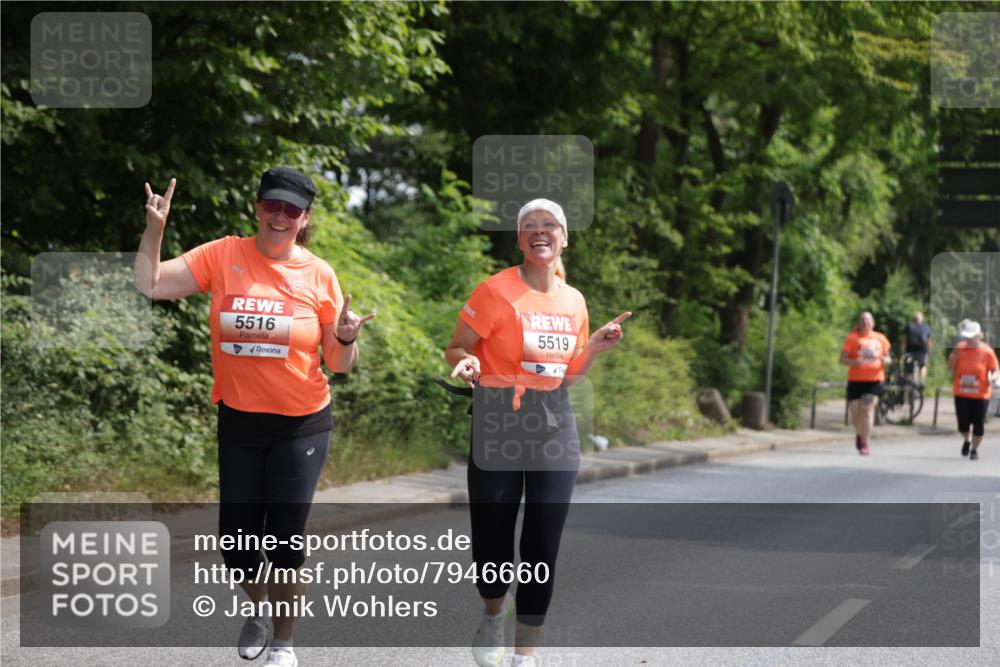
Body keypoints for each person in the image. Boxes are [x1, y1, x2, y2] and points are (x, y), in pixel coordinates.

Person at [134, 168, 375, 667]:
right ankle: (259, 609)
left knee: (285, 538)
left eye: (292, 210)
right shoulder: (224, 254)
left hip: (301, 422)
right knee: (236, 543)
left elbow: (338, 364)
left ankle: (284, 645)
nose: (280, 217)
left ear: (304, 218)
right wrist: (155, 228)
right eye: (273, 206)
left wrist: (348, 337)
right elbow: (151, 284)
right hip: (240, 421)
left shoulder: (319, 275)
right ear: (257, 207)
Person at [446, 198, 630, 667]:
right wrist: (464, 362)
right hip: (498, 422)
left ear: (564, 238)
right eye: (530, 225)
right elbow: (457, 346)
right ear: (519, 239)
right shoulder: (494, 290)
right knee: (492, 538)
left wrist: (592, 347)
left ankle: (525, 654)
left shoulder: (574, 300)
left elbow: (567, 375)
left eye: (550, 225)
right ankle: (492, 615)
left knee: (542, 542)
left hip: (553, 425)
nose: (540, 231)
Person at [839, 312, 891, 455]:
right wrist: (853, 362)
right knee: (855, 413)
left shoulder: (880, 339)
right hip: (855, 379)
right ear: (859, 323)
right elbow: (842, 359)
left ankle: (865, 442)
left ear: (873, 323)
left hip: (874, 380)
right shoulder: (852, 338)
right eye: (863, 320)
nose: (866, 323)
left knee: (867, 409)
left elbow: (888, 357)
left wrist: (886, 361)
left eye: (868, 320)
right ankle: (859, 434)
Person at [948, 320, 999, 460]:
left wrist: (993, 378)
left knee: (979, 426)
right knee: (963, 425)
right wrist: (955, 355)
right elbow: (950, 368)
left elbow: (996, 370)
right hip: (961, 393)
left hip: (981, 395)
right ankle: (967, 439)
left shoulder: (987, 351)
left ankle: (974, 450)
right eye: (967, 337)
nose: (968, 340)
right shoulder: (960, 347)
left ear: (979, 336)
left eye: (971, 337)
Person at [900, 311, 932, 385]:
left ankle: (909, 383)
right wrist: (928, 352)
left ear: (913, 319)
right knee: (923, 366)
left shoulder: (909, 326)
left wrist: (903, 351)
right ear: (922, 319)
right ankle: (922, 381)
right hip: (922, 351)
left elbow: (904, 339)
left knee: (908, 368)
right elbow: (929, 341)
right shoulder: (926, 327)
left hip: (910, 351)